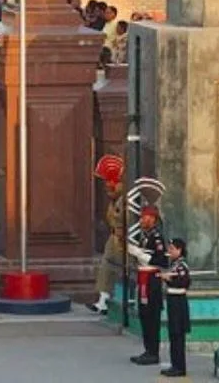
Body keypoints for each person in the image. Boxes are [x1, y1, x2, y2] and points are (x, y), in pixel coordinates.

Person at [128, 204, 168, 366]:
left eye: (144, 217)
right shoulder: (145, 236)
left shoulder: (157, 237)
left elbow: (162, 261)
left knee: (152, 316)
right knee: (144, 315)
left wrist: (141, 254)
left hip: (152, 279)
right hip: (143, 277)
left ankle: (153, 352)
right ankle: (147, 350)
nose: (141, 220)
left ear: (152, 219)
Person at [90, 156, 126, 314]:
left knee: (121, 269)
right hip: (114, 239)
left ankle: (113, 300)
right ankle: (102, 301)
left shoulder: (124, 200)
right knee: (107, 267)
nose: (107, 186)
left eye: (110, 182)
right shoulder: (114, 199)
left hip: (122, 240)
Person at [160, 237, 191, 378]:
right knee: (173, 334)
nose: (170, 251)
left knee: (178, 334)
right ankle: (175, 364)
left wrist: (169, 279)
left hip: (178, 301)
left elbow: (184, 282)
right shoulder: (174, 264)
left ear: (179, 250)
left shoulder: (182, 266)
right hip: (172, 300)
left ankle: (179, 367)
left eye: (172, 249)